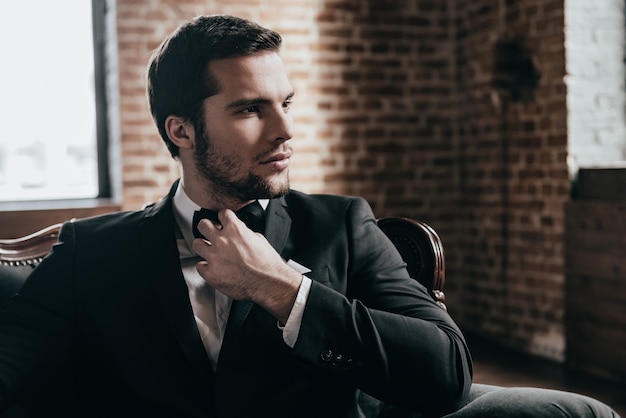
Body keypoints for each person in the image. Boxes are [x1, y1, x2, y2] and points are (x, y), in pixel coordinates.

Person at [0, 14, 619, 418]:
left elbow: (446, 373)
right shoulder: (91, 251)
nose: (285, 131)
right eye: (250, 110)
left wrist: (282, 290)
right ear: (181, 129)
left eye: (285, 103)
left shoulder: (342, 226)